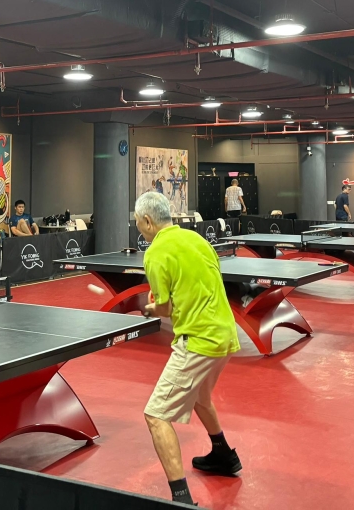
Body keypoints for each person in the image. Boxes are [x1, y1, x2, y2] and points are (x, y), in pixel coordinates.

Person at [135, 191, 241, 506]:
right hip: (225, 335)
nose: (140, 228)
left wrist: (151, 309)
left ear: (148, 221)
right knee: (200, 398)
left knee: (155, 416)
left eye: (139, 223)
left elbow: (165, 309)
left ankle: (180, 498)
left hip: (198, 341)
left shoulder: (155, 253)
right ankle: (223, 455)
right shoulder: (199, 241)